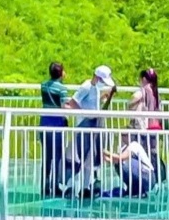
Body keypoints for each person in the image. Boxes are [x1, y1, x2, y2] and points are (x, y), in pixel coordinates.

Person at [69, 66, 116, 195]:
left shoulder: (95, 88)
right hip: (84, 124)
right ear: (97, 77)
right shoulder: (86, 86)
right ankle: (71, 185)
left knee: (91, 156)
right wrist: (84, 114)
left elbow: (91, 103)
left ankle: (85, 186)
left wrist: (104, 97)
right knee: (81, 156)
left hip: (93, 124)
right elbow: (73, 102)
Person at [40, 61, 72, 198]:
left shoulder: (43, 85)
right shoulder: (62, 89)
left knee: (46, 156)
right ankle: (55, 185)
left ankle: (45, 184)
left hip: (44, 123)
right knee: (57, 156)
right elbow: (64, 106)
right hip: (57, 124)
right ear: (61, 73)